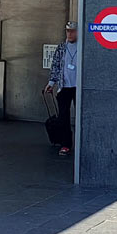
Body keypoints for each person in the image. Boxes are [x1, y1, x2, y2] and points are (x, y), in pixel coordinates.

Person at [45, 21, 78, 157]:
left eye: (72, 31)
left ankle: (81, 142)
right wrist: (51, 83)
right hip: (64, 86)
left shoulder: (82, 47)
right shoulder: (62, 47)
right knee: (63, 116)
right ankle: (66, 144)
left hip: (78, 87)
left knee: (80, 116)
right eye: (67, 31)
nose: (69, 33)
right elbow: (56, 66)